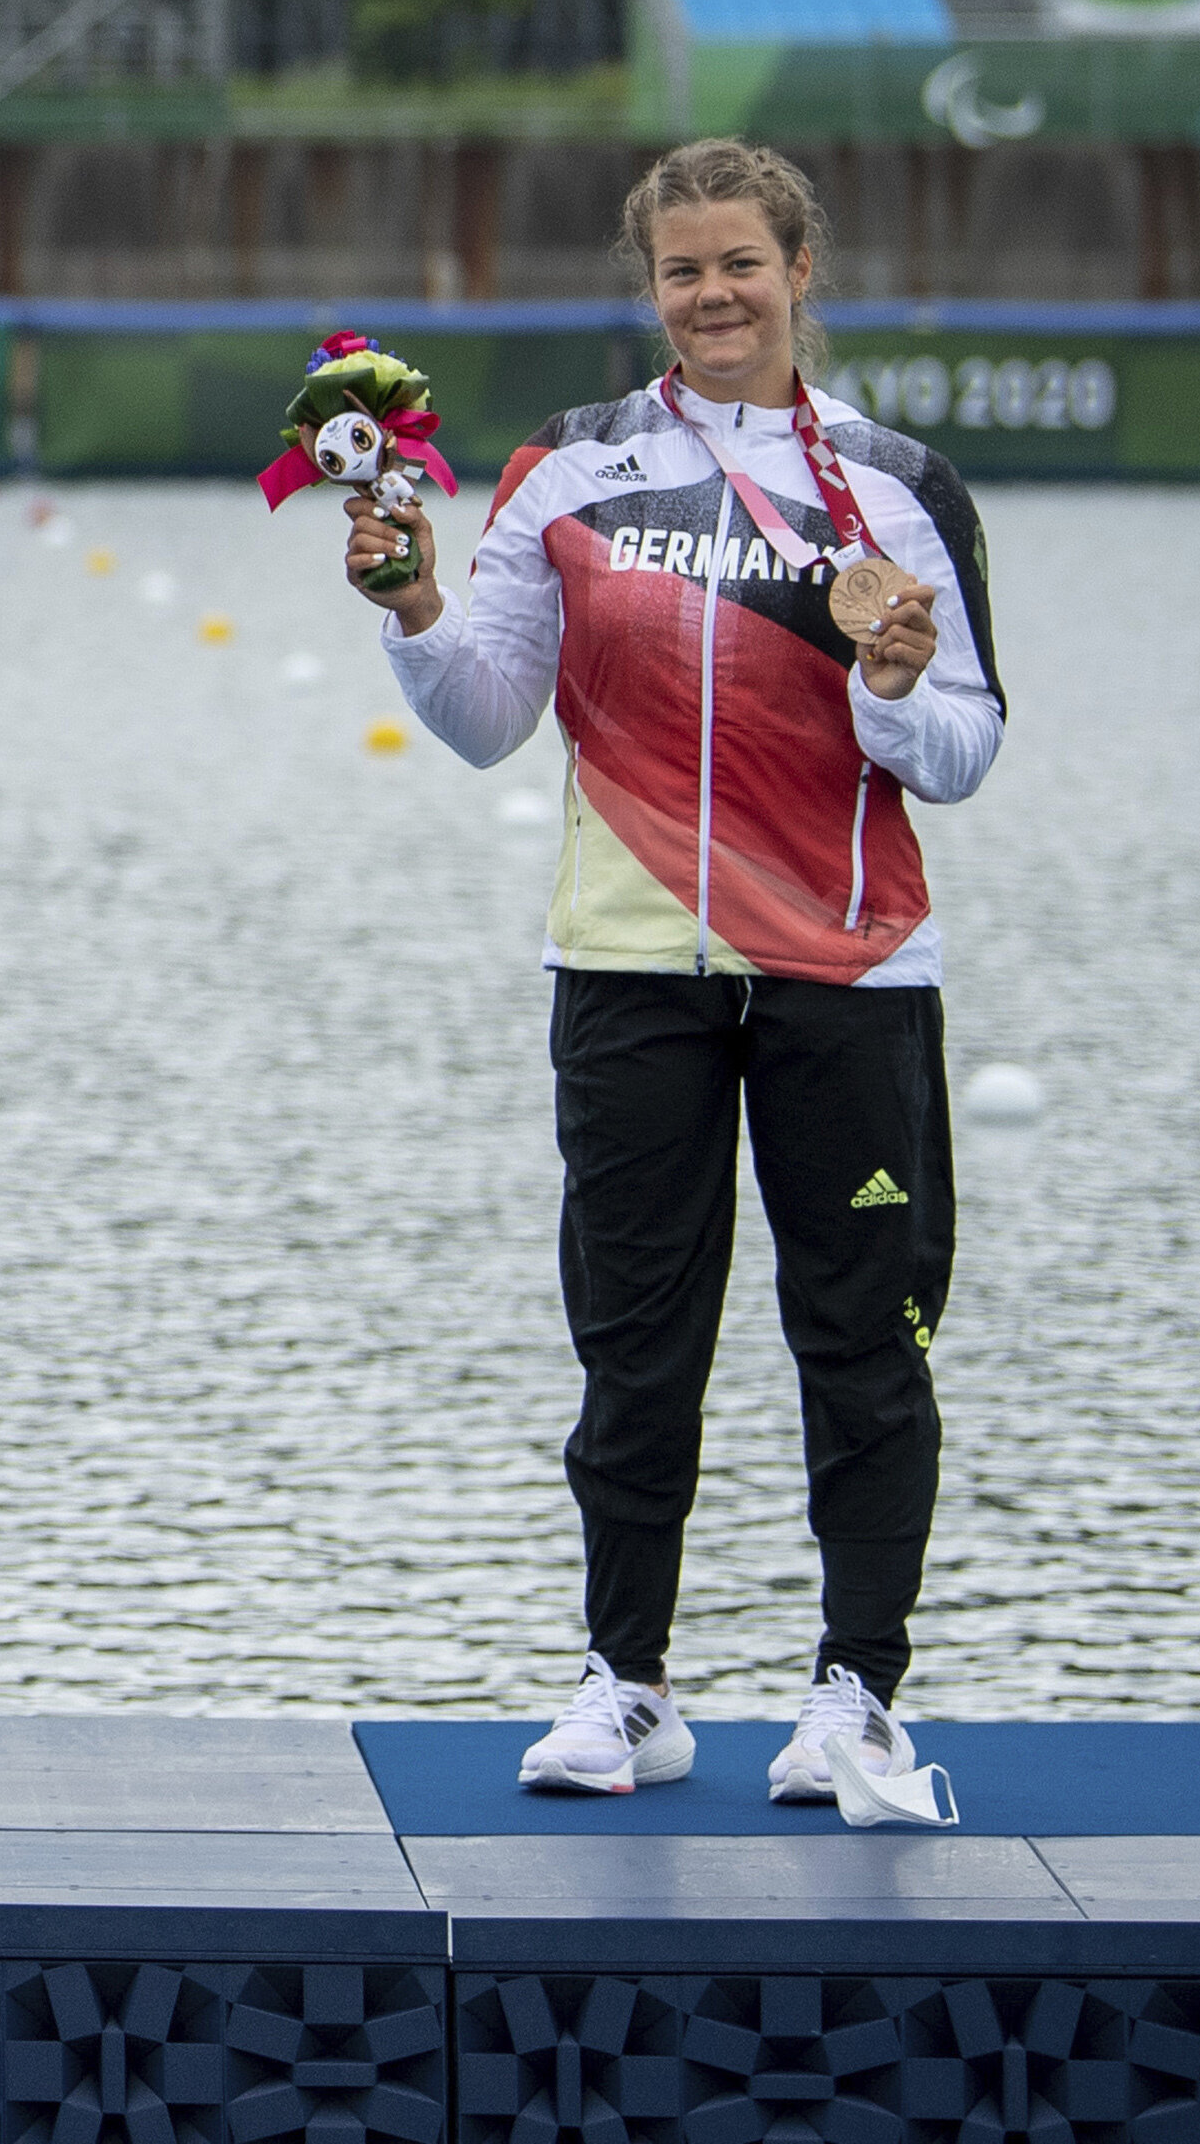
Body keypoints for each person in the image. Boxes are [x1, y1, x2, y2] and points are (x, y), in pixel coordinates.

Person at [341, 136, 1003, 1830]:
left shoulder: (900, 485)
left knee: (862, 1346)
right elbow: (492, 713)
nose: (714, 296)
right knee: (636, 1348)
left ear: (800, 273)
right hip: (628, 964)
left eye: (743, 266)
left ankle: (854, 1699)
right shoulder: (566, 471)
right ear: (653, 288)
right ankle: (625, 1684)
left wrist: (887, 675)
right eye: (682, 271)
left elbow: (965, 752)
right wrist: (412, 596)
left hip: (848, 973)